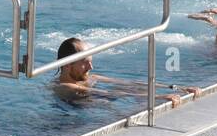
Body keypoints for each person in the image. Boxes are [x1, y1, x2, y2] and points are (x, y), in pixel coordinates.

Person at [54, 37, 200, 106]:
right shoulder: (65, 86)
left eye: (91, 62)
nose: (91, 67)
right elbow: (109, 94)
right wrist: (158, 97)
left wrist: (179, 88)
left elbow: (128, 82)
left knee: (130, 86)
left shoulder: (86, 78)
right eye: (85, 63)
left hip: (93, 100)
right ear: (67, 65)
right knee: (107, 101)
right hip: (75, 118)